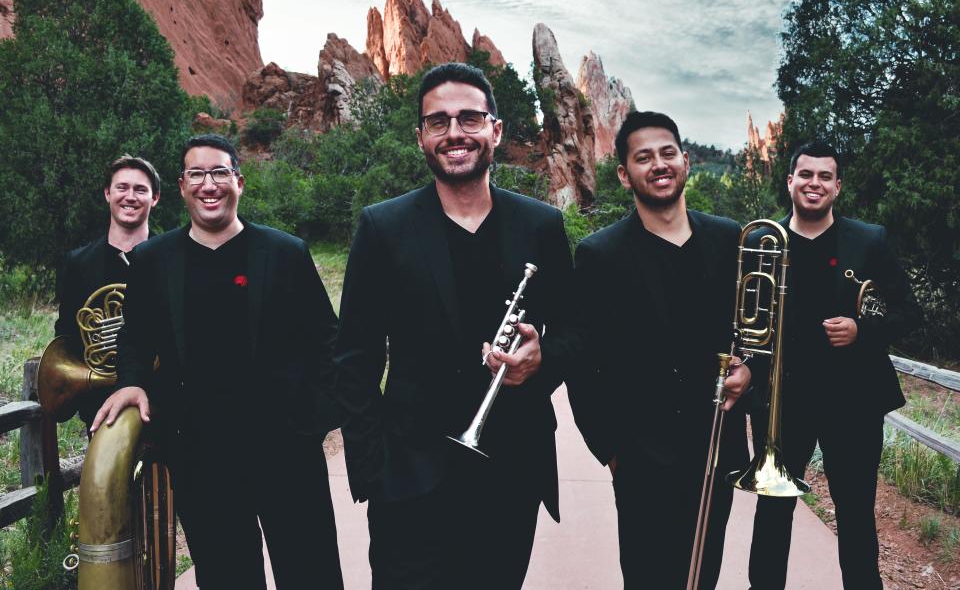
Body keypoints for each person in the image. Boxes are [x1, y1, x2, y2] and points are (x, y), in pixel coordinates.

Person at [334, 62, 575, 589]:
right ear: (421, 136)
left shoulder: (542, 225)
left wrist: (543, 358)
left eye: (469, 118)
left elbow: (575, 333)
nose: (454, 133)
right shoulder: (383, 226)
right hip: (409, 474)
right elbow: (354, 356)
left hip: (512, 469)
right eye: (438, 121)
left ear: (496, 129)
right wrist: (373, 466)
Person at [91, 134, 343, 589]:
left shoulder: (285, 252)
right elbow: (134, 339)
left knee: (312, 572)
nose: (210, 184)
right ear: (183, 186)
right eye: (197, 174)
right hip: (200, 454)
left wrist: (316, 417)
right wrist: (130, 382)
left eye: (220, 172)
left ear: (239, 182)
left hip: (287, 450)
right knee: (227, 577)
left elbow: (328, 340)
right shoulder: (152, 259)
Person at [567, 111, 752, 589]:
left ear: (686, 161)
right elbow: (583, 366)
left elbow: (755, 336)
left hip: (714, 445)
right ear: (624, 174)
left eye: (668, 153)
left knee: (703, 574)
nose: (659, 164)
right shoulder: (598, 254)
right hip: (640, 456)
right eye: (643, 157)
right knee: (648, 578)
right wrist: (610, 451)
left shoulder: (731, 238)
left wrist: (750, 373)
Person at [746, 141, 920, 590]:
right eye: (806, 175)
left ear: (837, 187)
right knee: (772, 513)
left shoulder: (869, 239)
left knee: (855, 511)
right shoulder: (761, 240)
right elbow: (744, 322)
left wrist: (862, 329)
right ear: (790, 182)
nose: (814, 184)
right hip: (783, 400)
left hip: (852, 401)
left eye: (825, 176)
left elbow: (908, 314)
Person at [54, 155, 160, 429]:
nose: (130, 196)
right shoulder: (77, 263)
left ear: (155, 198)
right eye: (122, 187)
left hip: (162, 397)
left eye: (140, 189)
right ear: (107, 194)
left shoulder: (170, 257)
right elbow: (67, 332)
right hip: (101, 400)